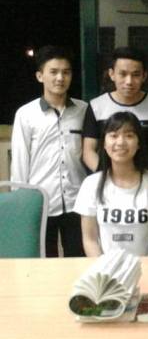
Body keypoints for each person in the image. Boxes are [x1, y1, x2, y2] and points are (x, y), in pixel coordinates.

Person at [10, 45, 87, 257]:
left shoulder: (83, 110)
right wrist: (22, 203)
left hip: (77, 200)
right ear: (40, 76)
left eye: (66, 72)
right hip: (40, 201)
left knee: (78, 259)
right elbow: (20, 161)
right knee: (43, 261)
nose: (60, 78)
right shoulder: (26, 114)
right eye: (53, 72)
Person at [74, 112, 148, 256]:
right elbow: (90, 240)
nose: (120, 142)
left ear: (138, 143)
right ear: (104, 143)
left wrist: (147, 268)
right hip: (105, 267)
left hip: (147, 266)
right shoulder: (90, 185)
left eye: (129, 135)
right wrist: (104, 268)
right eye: (114, 135)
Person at [82, 46, 148, 174]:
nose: (129, 81)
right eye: (123, 74)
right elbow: (88, 150)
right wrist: (105, 176)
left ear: (144, 76)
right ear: (111, 74)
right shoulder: (96, 106)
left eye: (136, 75)